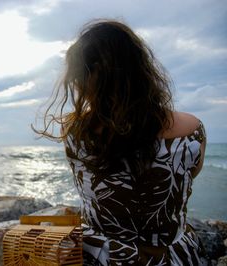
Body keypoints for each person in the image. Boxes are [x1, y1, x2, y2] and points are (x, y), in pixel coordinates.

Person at [34, 20, 207, 265]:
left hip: (103, 256)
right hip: (171, 257)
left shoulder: (74, 131)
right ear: (141, 68)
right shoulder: (191, 130)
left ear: (81, 79)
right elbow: (191, 175)